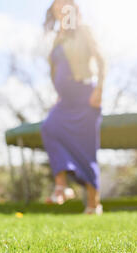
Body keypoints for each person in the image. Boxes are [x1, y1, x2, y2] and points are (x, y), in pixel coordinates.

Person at [41, 0, 106, 215]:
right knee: (50, 127)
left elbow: (101, 59)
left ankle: (93, 204)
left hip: (86, 95)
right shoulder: (57, 39)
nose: (61, 8)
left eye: (65, 4)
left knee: (86, 150)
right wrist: (59, 93)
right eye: (57, 6)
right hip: (66, 101)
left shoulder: (83, 31)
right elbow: (55, 69)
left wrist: (100, 90)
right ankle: (61, 186)